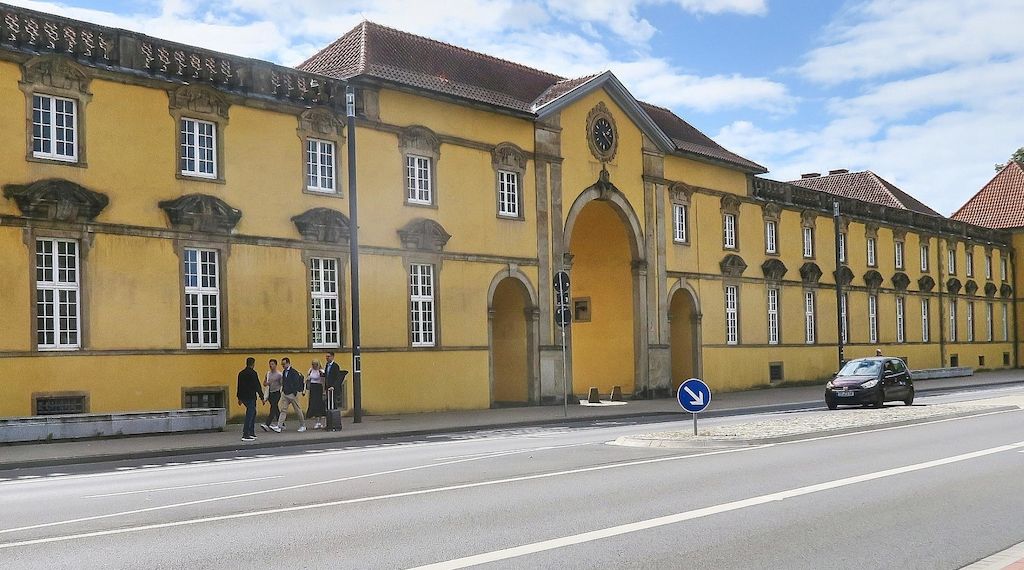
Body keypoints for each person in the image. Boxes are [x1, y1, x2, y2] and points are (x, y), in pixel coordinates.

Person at [237, 357, 265, 442]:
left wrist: (239, 398)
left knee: (252, 412)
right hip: (251, 396)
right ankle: (246, 434)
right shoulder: (253, 373)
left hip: (244, 397)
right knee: (250, 414)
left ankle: (251, 433)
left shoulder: (241, 373)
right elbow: (257, 386)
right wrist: (262, 397)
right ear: (253, 364)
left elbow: (239, 386)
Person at [278, 357, 307, 432]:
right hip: (285, 393)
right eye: (282, 364)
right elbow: (284, 382)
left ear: (288, 363)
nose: (283, 365)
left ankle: (303, 425)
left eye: (284, 364)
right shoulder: (284, 372)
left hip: (292, 394)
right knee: (283, 410)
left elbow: (296, 382)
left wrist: (294, 392)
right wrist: (283, 390)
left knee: (298, 410)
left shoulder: (294, 372)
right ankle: (279, 426)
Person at [261, 359, 283, 433]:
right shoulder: (268, 374)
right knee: (275, 408)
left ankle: (267, 424)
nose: (271, 366)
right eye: (270, 364)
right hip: (270, 393)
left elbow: (282, 384)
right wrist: (266, 383)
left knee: (273, 407)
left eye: (272, 364)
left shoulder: (279, 374)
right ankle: (281, 423)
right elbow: (264, 383)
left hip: (277, 392)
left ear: (276, 365)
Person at [306, 359, 327, 429]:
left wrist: (323, 391)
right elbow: (308, 379)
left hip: (319, 388)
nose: (314, 366)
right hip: (313, 388)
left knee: (319, 404)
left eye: (315, 364)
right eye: (313, 364)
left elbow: (323, 381)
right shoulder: (310, 370)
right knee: (313, 404)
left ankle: (320, 422)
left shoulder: (321, 371)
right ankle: (316, 421)